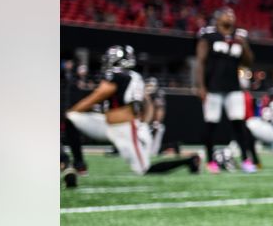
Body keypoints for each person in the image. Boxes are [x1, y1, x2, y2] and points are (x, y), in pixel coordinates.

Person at [63, 45, 201, 179]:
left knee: (143, 170)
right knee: (71, 119)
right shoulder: (135, 77)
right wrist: (145, 123)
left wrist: (76, 108)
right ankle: (79, 165)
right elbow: (146, 104)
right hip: (108, 125)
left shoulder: (119, 75)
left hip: (125, 129)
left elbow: (99, 94)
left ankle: (189, 161)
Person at [195, 8, 257, 173]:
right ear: (218, 17)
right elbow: (200, 62)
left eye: (233, 14)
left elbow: (248, 62)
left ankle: (246, 160)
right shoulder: (209, 35)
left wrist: (244, 45)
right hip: (213, 87)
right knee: (211, 124)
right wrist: (201, 86)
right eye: (227, 14)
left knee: (239, 124)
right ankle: (211, 161)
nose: (231, 16)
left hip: (233, 87)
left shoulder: (239, 36)